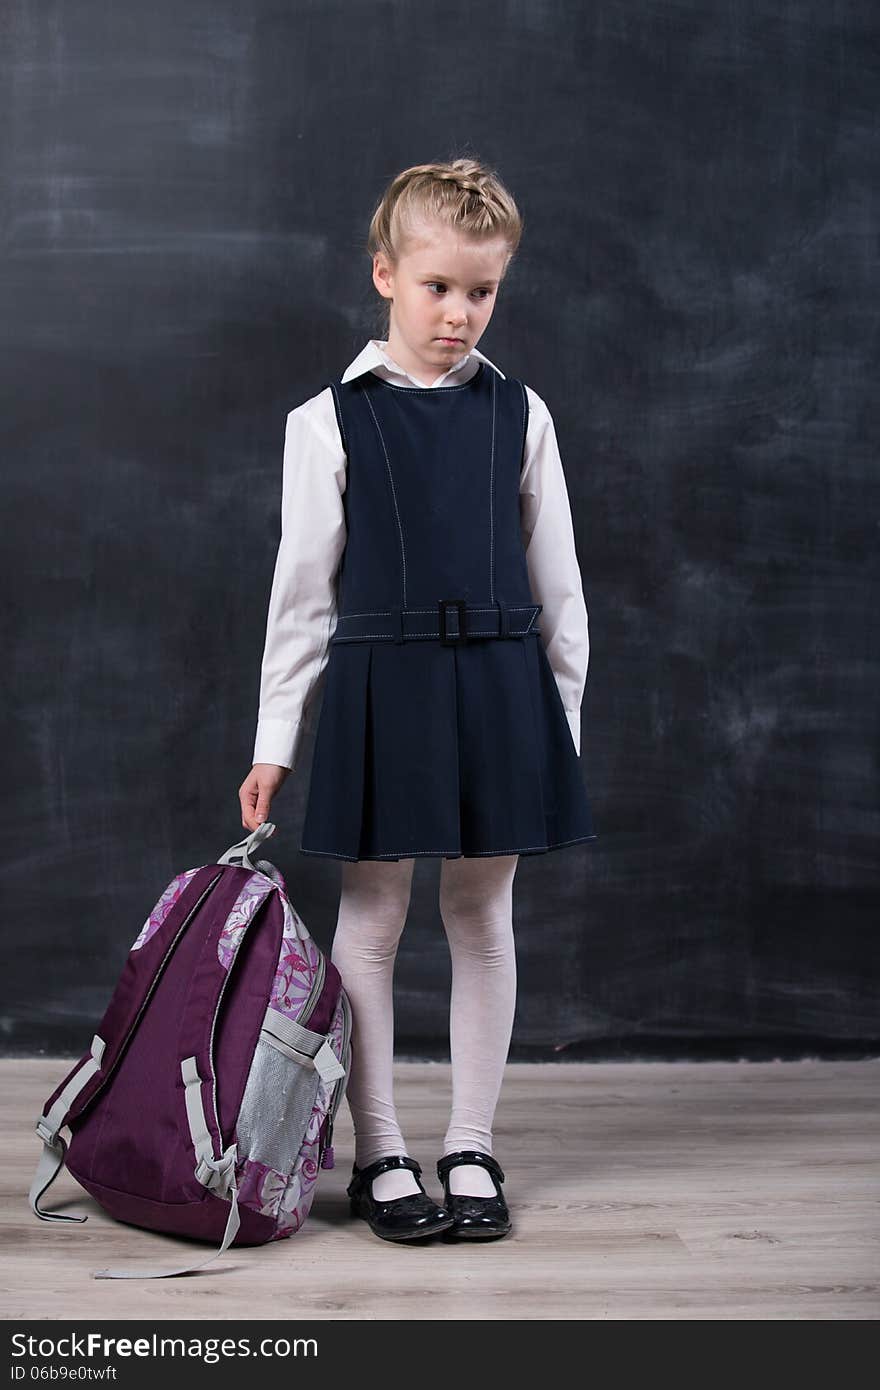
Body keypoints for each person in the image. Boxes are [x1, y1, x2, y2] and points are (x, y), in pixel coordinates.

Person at [238, 157, 598, 1244]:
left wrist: (559, 730)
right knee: (377, 917)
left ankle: (472, 1141)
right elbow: (299, 600)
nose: (459, 312)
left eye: (480, 291)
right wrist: (274, 744)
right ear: (386, 274)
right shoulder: (326, 421)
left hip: (499, 687)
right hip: (381, 688)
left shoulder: (521, 413)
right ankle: (382, 1146)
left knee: (481, 914)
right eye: (438, 286)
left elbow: (561, 590)